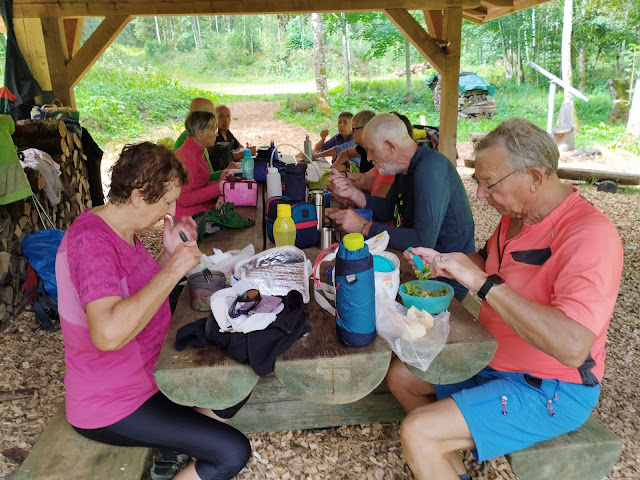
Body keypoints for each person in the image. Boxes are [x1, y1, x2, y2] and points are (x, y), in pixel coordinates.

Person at [387, 118, 624, 480]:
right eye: (478, 182)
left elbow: (573, 347)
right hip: (490, 362)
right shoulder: (517, 217)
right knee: (401, 377)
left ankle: (435, 446)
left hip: (551, 388)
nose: (480, 195)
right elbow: (490, 263)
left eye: (490, 184)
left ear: (534, 177)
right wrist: (446, 263)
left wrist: (481, 283)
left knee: (418, 431)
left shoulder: (589, 236)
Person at [55, 142, 251, 480]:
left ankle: (178, 445)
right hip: (113, 402)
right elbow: (108, 334)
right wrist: (174, 270)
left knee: (237, 378)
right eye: (166, 201)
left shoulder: (120, 228)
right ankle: (184, 445)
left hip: (152, 376)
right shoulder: (91, 242)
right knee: (232, 453)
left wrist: (168, 254)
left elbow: (135, 293)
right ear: (137, 196)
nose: (171, 211)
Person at [327, 113, 475, 300]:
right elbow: (391, 210)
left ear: (390, 146)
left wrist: (363, 226)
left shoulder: (430, 170)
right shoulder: (406, 168)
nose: (369, 158)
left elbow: (422, 241)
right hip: (419, 264)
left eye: (371, 150)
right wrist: (353, 194)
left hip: (445, 280)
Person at [175, 110, 229, 218]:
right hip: (189, 220)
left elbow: (199, 185)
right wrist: (216, 187)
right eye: (213, 130)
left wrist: (220, 182)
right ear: (198, 133)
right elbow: (183, 198)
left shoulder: (197, 151)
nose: (216, 134)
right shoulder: (185, 157)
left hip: (200, 212)